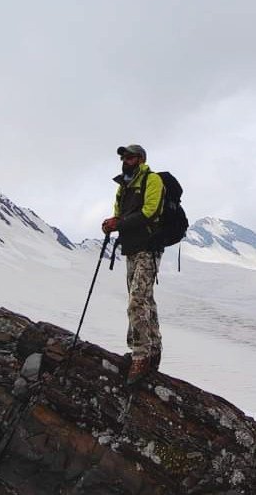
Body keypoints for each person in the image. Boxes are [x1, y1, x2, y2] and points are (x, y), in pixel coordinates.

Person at [102, 144, 165, 385]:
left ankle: (141, 356)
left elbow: (150, 212)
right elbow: (120, 214)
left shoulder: (152, 180)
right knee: (144, 299)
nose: (125, 160)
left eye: (129, 157)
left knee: (137, 300)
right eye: (123, 157)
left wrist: (118, 223)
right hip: (131, 248)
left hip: (149, 247)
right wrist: (112, 222)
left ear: (140, 159)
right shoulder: (124, 187)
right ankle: (153, 350)